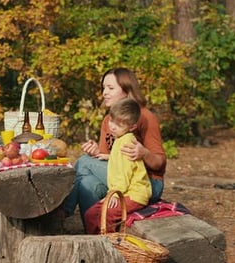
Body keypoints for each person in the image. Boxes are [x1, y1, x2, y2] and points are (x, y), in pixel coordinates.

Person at [64, 67, 166, 226]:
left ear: (127, 91)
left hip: (146, 183)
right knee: (87, 183)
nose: (104, 92)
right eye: (103, 88)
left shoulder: (145, 117)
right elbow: (108, 158)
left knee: (83, 162)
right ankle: (95, 235)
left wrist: (144, 153)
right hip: (119, 177)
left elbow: (160, 163)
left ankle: (63, 211)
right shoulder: (109, 120)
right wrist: (96, 152)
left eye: (110, 88)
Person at [83, 98, 152, 234]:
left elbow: (125, 173)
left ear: (131, 127)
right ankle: (95, 240)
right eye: (111, 121)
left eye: (118, 125)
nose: (112, 127)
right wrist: (109, 156)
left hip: (134, 194)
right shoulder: (121, 138)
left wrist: (114, 194)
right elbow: (124, 161)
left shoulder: (126, 143)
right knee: (91, 214)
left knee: (106, 214)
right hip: (124, 192)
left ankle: (109, 245)